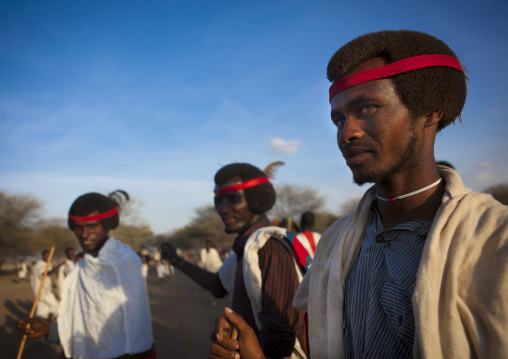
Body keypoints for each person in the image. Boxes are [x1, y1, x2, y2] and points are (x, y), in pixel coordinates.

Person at [210, 30, 508, 359]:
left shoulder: (495, 241)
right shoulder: (336, 242)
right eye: (338, 119)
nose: (346, 132)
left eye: (366, 109)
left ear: (430, 110)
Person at [165, 162, 309, 358]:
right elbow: (217, 285)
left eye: (232, 199)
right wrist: (176, 260)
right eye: (218, 201)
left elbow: (280, 341)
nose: (222, 209)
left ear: (256, 201)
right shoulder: (245, 250)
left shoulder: (269, 249)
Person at [18, 191, 156, 359]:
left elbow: (129, 335)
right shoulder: (82, 267)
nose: (84, 234)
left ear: (106, 226)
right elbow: (85, 324)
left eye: (92, 226)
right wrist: (48, 331)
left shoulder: (127, 263)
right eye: (78, 228)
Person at [30, 249, 61, 322]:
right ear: (43, 256)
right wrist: (58, 267)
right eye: (46, 256)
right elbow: (44, 273)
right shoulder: (40, 265)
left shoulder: (47, 264)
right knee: (55, 306)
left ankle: (41, 325)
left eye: (49, 256)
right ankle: (48, 322)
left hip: (43, 290)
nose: (48, 257)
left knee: (42, 311)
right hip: (43, 291)